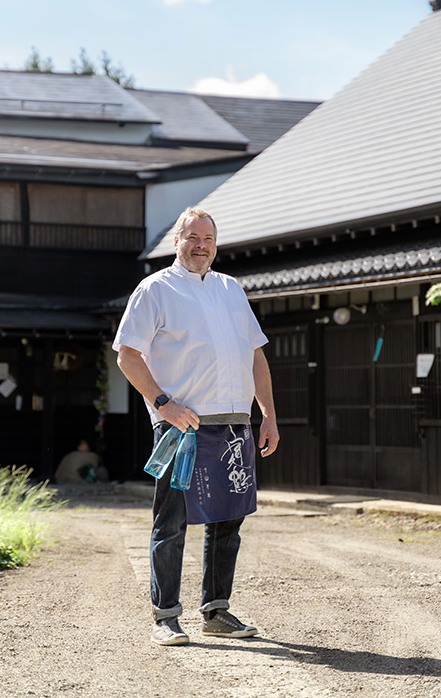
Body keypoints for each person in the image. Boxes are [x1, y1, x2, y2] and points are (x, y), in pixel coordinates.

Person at [113, 207, 279, 646]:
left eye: (208, 238)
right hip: (182, 426)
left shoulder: (230, 288)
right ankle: (165, 615)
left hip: (233, 424)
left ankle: (216, 611)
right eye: (193, 237)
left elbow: (256, 355)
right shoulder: (155, 289)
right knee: (171, 521)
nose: (201, 245)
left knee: (229, 521)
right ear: (177, 241)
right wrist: (163, 404)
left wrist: (268, 415)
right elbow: (127, 355)